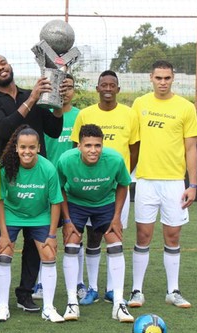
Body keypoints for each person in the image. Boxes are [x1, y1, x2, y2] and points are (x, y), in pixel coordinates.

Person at [0, 54, 64, 312]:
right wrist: (32, 99)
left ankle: (25, 293)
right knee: (5, 238)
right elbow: (3, 129)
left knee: (33, 243)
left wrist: (59, 102)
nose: (1, 68)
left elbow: (54, 130)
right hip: (9, 174)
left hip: (38, 173)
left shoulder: (33, 92)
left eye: (3, 63)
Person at [127, 60, 197, 309]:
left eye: (167, 78)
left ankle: (173, 291)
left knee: (173, 235)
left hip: (174, 183)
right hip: (146, 180)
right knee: (143, 235)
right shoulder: (140, 104)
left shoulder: (186, 107)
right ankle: (137, 291)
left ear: (173, 78)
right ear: (151, 78)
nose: (163, 82)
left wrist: (193, 185)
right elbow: (132, 143)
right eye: (159, 78)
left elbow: (191, 148)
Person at [70, 70, 139, 306]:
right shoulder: (85, 114)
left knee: (114, 234)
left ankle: (112, 290)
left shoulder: (130, 114)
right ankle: (92, 288)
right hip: (87, 188)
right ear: (97, 88)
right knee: (91, 238)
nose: (108, 88)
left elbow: (134, 149)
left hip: (114, 188)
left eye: (112, 85)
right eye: (104, 85)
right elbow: (74, 147)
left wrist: (120, 176)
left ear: (118, 89)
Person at [57, 124, 134, 323]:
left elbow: (123, 184)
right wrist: (66, 220)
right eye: (88, 145)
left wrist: (116, 217)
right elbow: (59, 189)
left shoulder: (115, 159)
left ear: (102, 145)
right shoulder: (66, 160)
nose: (93, 150)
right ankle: (72, 302)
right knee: (71, 243)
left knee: (115, 243)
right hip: (76, 203)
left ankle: (119, 303)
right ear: (79, 146)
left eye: (97, 145)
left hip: (105, 202)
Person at [0, 126, 64, 323]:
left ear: (39, 148)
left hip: (40, 215)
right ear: (16, 147)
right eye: (23, 147)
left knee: (49, 255)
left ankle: (49, 308)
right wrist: (4, 234)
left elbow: (56, 202)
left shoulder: (48, 168)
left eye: (32, 147)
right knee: (4, 254)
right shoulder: (6, 168)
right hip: (12, 214)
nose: (27, 151)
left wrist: (51, 235)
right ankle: (3, 307)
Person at [33, 73, 87, 302]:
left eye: (69, 86)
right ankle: (40, 283)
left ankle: (78, 282)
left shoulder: (80, 116)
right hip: (46, 183)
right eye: (60, 86)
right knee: (43, 232)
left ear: (74, 90)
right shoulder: (44, 114)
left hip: (72, 185)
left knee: (74, 232)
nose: (64, 90)